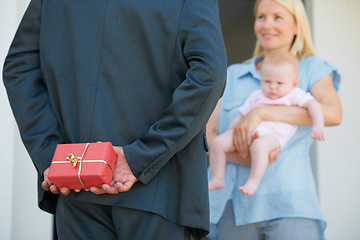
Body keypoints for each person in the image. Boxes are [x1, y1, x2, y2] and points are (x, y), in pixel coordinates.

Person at [3, 0, 227, 239]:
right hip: (161, 191)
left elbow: (20, 68)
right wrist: (141, 156)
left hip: (77, 188)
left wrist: (55, 158)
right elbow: (209, 75)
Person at [206, 0, 342, 239]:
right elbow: (208, 136)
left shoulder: (312, 68)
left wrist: (261, 112)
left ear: (297, 25)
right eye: (261, 17)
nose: (267, 24)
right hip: (231, 208)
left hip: (289, 205)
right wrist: (243, 156)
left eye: (278, 17)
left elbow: (332, 113)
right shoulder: (233, 74)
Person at [208, 51, 325, 195]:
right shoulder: (257, 95)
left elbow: (314, 105)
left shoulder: (294, 94)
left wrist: (318, 124)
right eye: (267, 81)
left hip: (272, 137)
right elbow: (241, 116)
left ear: (294, 83)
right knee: (218, 143)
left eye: (280, 83)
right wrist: (232, 131)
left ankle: (253, 181)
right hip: (247, 134)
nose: (273, 87)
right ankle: (218, 177)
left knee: (259, 146)